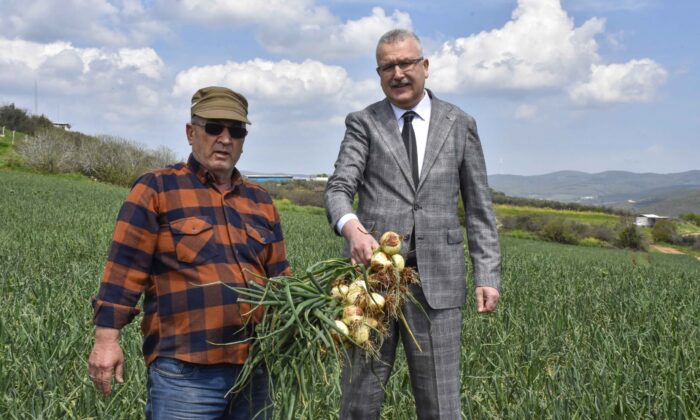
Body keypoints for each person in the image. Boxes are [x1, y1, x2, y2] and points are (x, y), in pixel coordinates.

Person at [324, 29, 501, 419]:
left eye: (406, 63)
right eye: (388, 66)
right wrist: (352, 227)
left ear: (425, 66)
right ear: (378, 73)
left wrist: (487, 273)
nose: (398, 73)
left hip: (438, 287)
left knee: (441, 406)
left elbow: (478, 206)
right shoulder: (363, 123)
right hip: (372, 286)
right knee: (358, 403)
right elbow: (338, 188)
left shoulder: (460, 123)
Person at [88, 86, 290, 419]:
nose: (225, 138)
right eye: (214, 128)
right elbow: (124, 269)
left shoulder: (261, 201)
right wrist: (106, 340)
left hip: (254, 369)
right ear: (190, 132)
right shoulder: (157, 188)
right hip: (185, 373)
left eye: (236, 131)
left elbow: (280, 278)